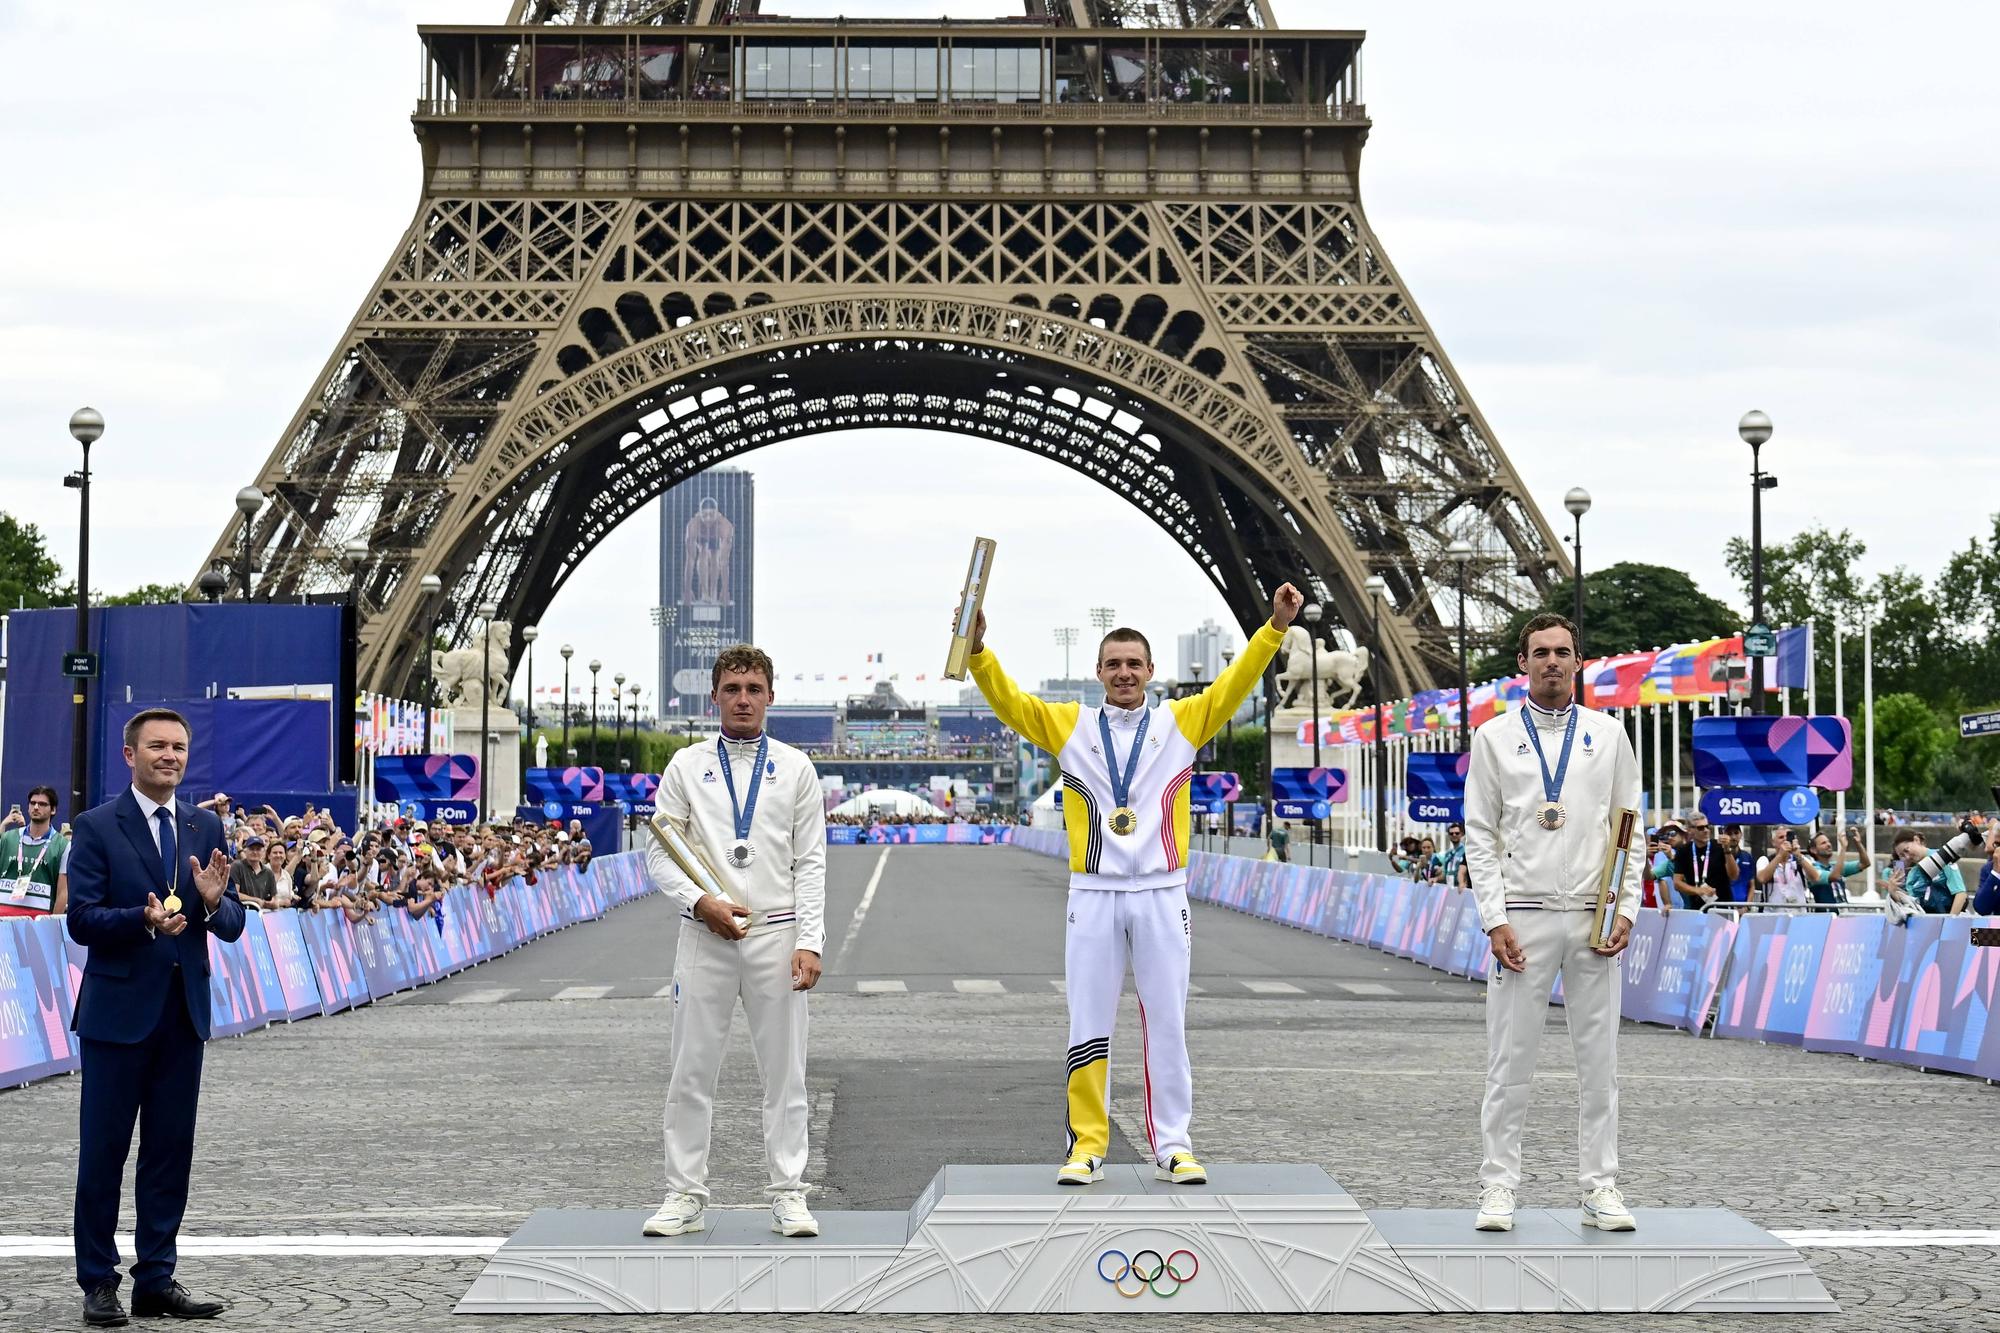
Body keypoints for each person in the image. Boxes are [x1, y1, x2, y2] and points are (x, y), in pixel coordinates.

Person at [964, 582, 1302, 1187]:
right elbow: (1011, 703)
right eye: (1114, 664)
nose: (1124, 673)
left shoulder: (1183, 720)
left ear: (1151, 671)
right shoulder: (1069, 724)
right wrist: (979, 651)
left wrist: (1273, 629)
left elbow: (1236, 684)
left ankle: (1173, 1144)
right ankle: (1087, 1144)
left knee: (1166, 1020)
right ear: (1098, 671)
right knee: (1088, 1022)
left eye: (1134, 664)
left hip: (1161, 891)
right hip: (1092, 894)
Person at [1462, 613, 1641, 1235]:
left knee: (1601, 1065)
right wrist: (1494, 919)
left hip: (1592, 921)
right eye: (1541, 653)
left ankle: (1600, 1186)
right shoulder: (1493, 738)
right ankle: (1499, 1186)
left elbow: (1629, 829)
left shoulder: (1610, 734)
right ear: (1523, 662)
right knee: (1509, 1064)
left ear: (1579, 661)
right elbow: (1479, 837)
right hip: (1525, 919)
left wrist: (1624, 909)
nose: (1552, 662)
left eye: (1563, 652)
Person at [65, 708, 243, 1325]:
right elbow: (81, 918)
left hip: (182, 1014)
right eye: (157, 746)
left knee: (169, 1153)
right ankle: (98, 1282)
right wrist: (139, 921)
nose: (170, 756)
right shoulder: (95, 827)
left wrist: (216, 905)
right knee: (104, 1154)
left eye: (179, 747)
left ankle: (156, 1279)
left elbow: (235, 923)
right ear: (129, 754)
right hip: (116, 1015)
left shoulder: (205, 825)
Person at [643, 644, 827, 1241]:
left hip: (775, 935)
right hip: (706, 934)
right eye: (732, 689)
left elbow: (812, 863)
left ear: (771, 696)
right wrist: (700, 903)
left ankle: (790, 1194)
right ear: (714, 696)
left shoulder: (797, 767)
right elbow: (660, 852)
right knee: (690, 1072)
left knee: (786, 1075)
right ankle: (684, 1194)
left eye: (753, 688)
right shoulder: (685, 765)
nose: (743, 699)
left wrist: (811, 942)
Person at [0, 784, 69, 917]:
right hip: (3, 919)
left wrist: (51, 925)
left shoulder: (63, 845)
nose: (36, 807)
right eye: (33, 803)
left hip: (38, 923)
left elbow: (62, 892)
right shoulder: (8, 838)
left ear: (53, 810)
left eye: (42, 804)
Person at [1890, 829, 1967, 915]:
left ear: (1916, 840)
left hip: (1948, 918)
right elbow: (1911, 904)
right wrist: (1893, 892)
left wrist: (1949, 922)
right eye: (1902, 855)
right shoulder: (1912, 873)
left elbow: (1960, 893)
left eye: (1906, 850)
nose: (1907, 857)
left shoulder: (1942, 858)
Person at [1670, 816, 1734, 911]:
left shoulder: (1720, 846)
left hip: (1724, 909)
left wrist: (1727, 851)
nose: (1706, 830)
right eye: (1700, 828)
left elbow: (1734, 876)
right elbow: (1677, 883)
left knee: (1729, 926)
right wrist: (1698, 891)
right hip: (1697, 910)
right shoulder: (1683, 851)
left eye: (1707, 826)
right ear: (1690, 830)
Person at [1805, 828, 1872, 907]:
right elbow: (1834, 876)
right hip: (1826, 916)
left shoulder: (1835, 866)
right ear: (1813, 850)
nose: (1829, 844)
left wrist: (1858, 843)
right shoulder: (1813, 869)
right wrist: (1843, 848)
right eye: (1823, 843)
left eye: (1828, 841)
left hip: (1843, 915)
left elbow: (1865, 863)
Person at [1756, 829, 1815, 907]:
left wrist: (1798, 855)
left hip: (1798, 913)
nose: (1785, 840)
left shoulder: (1802, 860)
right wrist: (1780, 856)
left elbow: (1816, 878)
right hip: (1773, 913)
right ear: (1773, 842)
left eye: (1787, 837)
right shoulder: (1764, 860)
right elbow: (1762, 878)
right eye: (1781, 837)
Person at [228, 834, 279, 911]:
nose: (255, 852)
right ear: (245, 850)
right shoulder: (237, 866)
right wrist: (256, 900)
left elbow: (275, 900)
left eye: (258, 849)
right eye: (251, 849)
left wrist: (272, 903)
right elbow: (234, 893)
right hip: (241, 911)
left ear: (263, 851)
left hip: (261, 914)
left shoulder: (268, 872)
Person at [1971, 824, 2000, 917]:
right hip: (1998, 927)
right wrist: (1996, 873)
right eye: (1997, 844)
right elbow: (1981, 909)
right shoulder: (1989, 868)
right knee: (1974, 931)